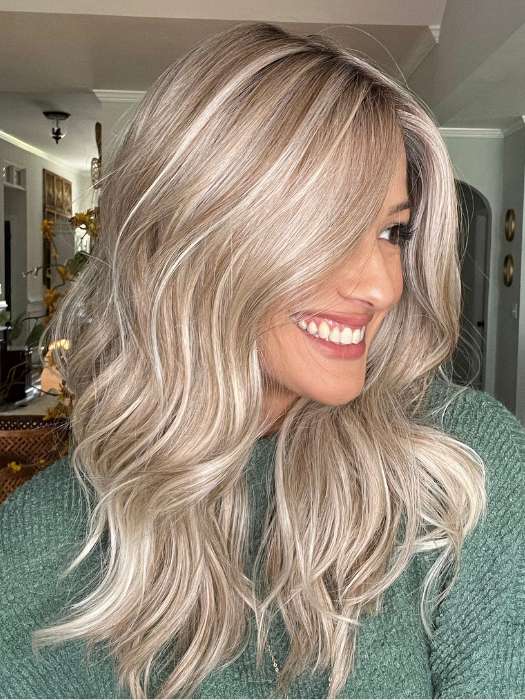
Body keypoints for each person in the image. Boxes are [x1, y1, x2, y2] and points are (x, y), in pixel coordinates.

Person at [0, 21, 524, 700]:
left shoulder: (460, 471)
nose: (382, 286)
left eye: (391, 231)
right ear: (195, 235)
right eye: (328, 228)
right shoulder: (40, 545)